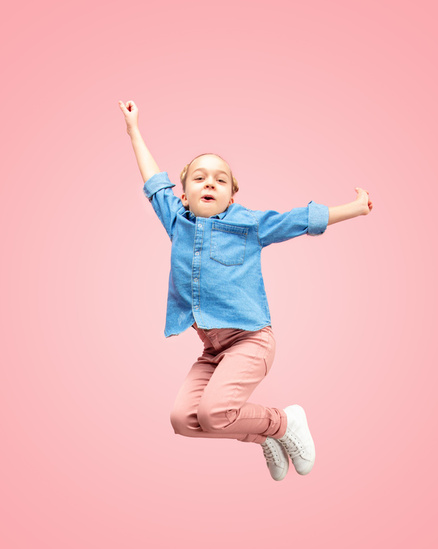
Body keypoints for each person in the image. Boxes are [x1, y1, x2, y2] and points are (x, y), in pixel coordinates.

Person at [118, 99, 373, 482]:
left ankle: (285, 422)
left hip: (251, 340)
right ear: (183, 195)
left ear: (231, 198)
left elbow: (299, 220)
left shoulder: (247, 225)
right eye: (199, 178)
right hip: (212, 349)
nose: (210, 183)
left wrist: (354, 208)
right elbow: (153, 182)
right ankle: (265, 437)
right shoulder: (176, 221)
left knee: (213, 414)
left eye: (220, 180)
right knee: (183, 420)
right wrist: (134, 130)